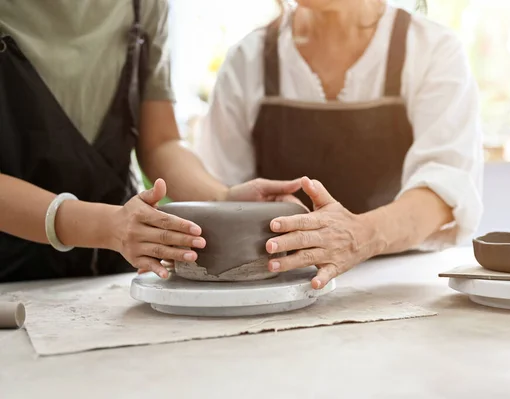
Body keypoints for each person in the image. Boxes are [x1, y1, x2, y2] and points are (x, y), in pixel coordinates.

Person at [0, 0, 303, 283]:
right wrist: (108, 226)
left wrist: (223, 200)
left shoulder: (142, 5)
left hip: (110, 269)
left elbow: (160, 142)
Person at [197, 0, 484, 289]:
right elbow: (223, 192)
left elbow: (444, 188)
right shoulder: (248, 58)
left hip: (399, 283)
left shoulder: (431, 48)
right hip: (278, 283)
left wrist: (359, 235)